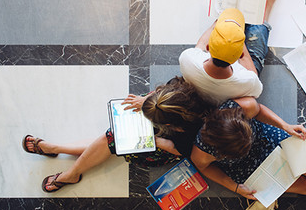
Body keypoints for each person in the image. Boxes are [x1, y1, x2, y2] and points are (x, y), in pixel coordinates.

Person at [22, 77, 212, 192]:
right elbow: (159, 94)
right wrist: (145, 101)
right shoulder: (177, 93)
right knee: (112, 138)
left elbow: (178, 150)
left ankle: (70, 170)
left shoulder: (189, 133)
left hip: (164, 146)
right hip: (162, 126)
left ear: (168, 124)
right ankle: (60, 154)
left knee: (112, 139)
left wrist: (150, 139)